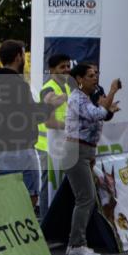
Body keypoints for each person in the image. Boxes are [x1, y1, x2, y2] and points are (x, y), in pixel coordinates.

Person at [0, 40, 63, 209]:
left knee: (11, 194)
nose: (25, 59)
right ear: (18, 57)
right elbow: (30, 115)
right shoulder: (17, 84)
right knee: (29, 196)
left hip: (2, 148)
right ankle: (24, 232)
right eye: (24, 55)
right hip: (21, 149)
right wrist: (51, 105)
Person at [63, 62, 119, 255]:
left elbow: (100, 116)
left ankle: (76, 241)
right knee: (85, 197)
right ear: (78, 79)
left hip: (84, 151)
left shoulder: (86, 98)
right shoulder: (77, 98)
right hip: (75, 151)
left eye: (96, 74)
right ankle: (76, 244)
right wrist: (112, 92)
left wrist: (92, 155)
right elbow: (96, 115)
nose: (95, 78)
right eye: (89, 75)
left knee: (85, 197)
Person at [35, 52, 73, 215]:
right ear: (51, 70)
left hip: (60, 146)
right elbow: (48, 121)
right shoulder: (48, 89)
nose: (66, 70)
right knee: (48, 185)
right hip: (47, 146)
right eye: (62, 67)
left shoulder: (66, 88)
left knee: (59, 185)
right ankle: (45, 223)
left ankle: (57, 221)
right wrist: (71, 127)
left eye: (68, 66)